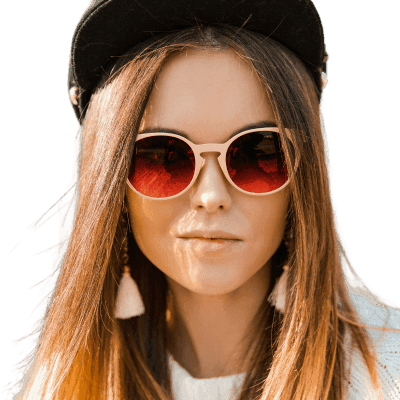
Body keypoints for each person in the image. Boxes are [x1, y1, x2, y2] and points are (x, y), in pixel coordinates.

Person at [6, 0, 400, 399]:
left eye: (259, 152)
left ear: (306, 175)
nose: (211, 196)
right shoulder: (61, 382)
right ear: (111, 182)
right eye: (162, 156)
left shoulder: (390, 371)